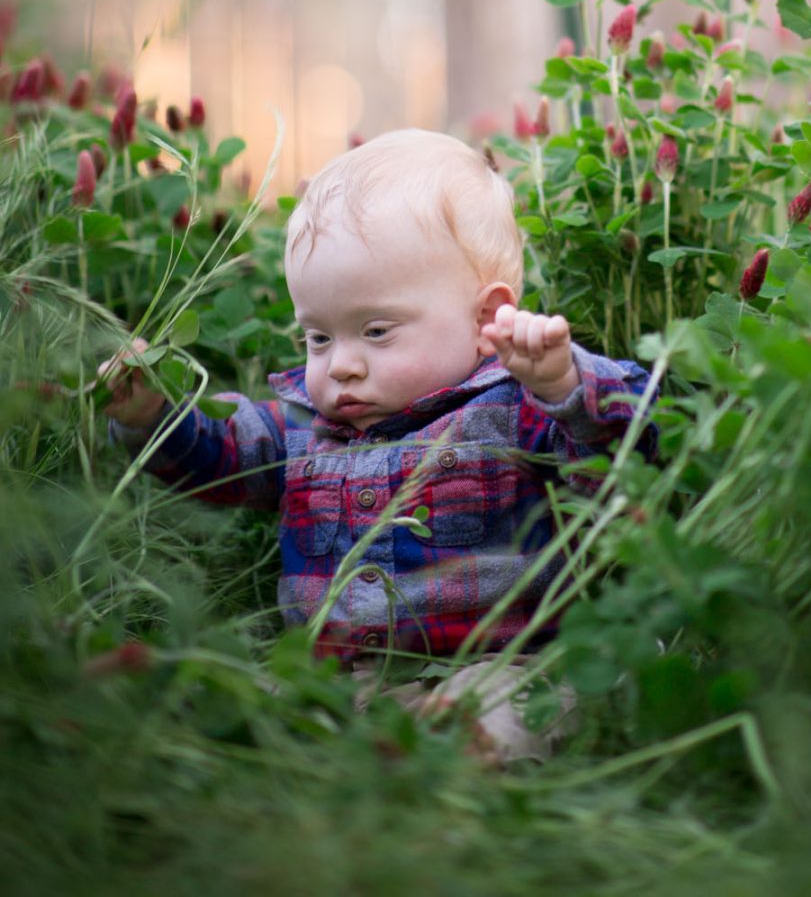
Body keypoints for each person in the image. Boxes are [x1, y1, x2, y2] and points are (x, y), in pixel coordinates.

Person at [102, 128, 654, 759]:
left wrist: (564, 383)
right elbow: (220, 458)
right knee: (235, 699)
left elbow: (619, 453)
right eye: (318, 337)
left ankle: (459, 759)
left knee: (520, 702)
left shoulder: (514, 408)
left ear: (484, 320)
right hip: (339, 681)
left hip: (492, 664)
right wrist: (152, 415)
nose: (341, 366)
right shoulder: (305, 426)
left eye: (375, 330)